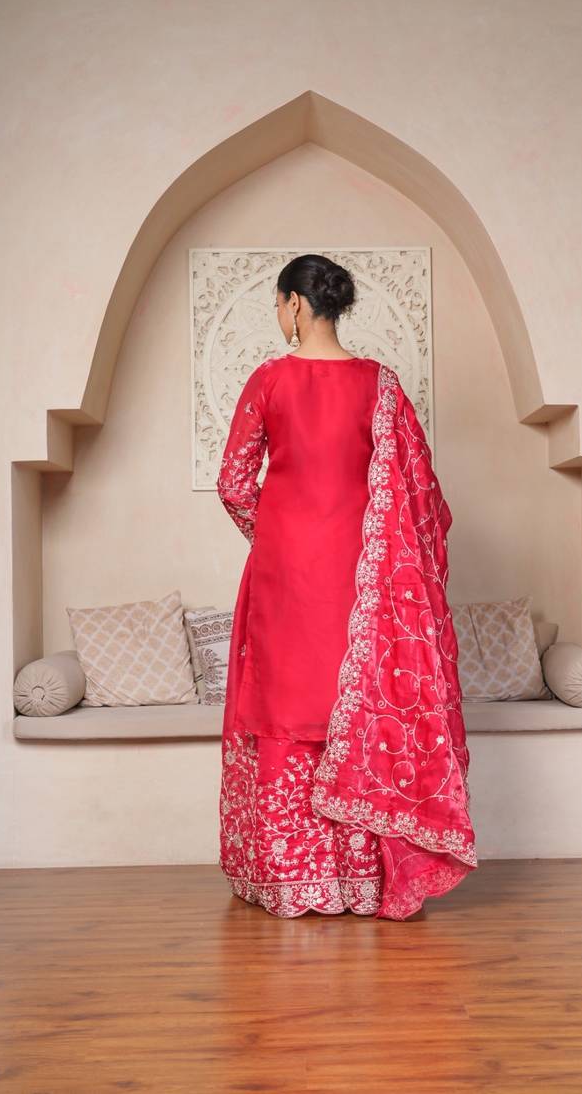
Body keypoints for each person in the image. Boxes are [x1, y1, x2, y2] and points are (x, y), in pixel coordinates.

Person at [216, 253, 477, 920]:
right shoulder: (380, 385)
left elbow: (235, 484)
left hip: (283, 572)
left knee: (283, 703)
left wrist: (275, 534)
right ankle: (360, 882)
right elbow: (419, 495)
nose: (280, 316)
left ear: (296, 305)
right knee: (350, 703)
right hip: (364, 576)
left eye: (279, 305)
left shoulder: (269, 381)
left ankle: (289, 879)